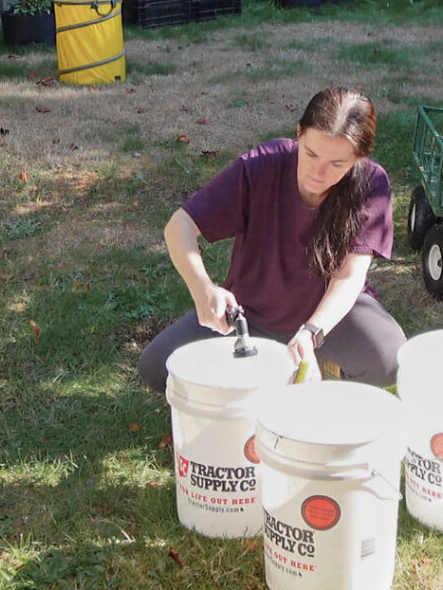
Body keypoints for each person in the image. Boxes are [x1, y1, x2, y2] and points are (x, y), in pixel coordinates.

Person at [138, 86, 405, 392]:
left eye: (337, 164)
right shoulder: (263, 165)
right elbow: (179, 226)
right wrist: (202, 288)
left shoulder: (371, 183)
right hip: (250, 314)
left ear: (358, 158)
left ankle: (319, 378)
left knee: (389, 359)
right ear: (299, 133)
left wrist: (312, 332)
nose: (318, 172)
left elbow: (348, 278)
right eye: (311, 153)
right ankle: (255, 383)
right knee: (158, 366)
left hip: (327, 317)